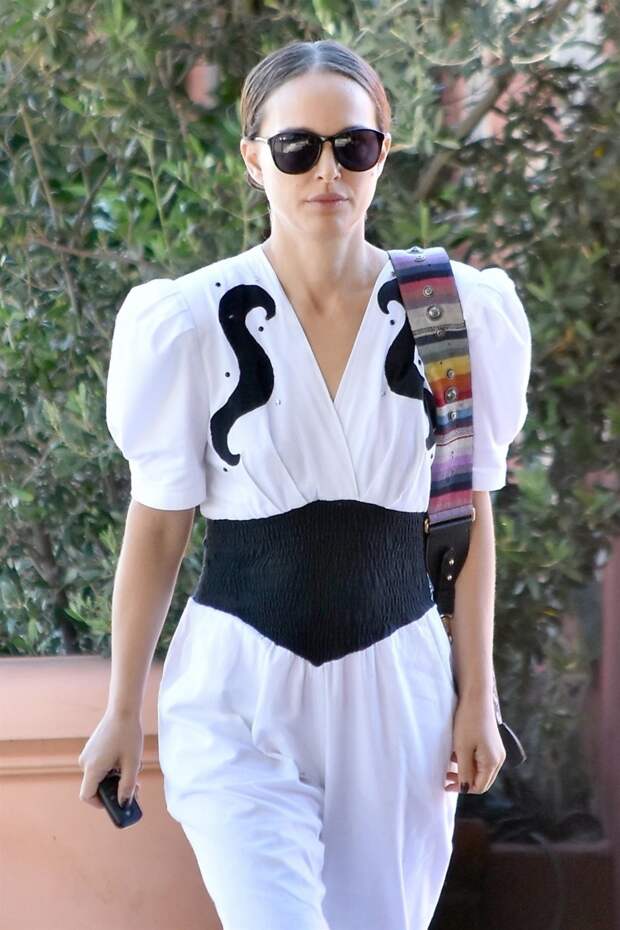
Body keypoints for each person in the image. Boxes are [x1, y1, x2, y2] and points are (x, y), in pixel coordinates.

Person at [78, 38, 532, 930]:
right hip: (237, 692)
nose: (328, 170)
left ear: (382, 154)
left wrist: (477, 691)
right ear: (255, 159)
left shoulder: (452, 310)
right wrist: (120, 710)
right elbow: (158, 527)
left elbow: (469, 510)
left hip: (398, 694)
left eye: (353, 146)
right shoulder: (189, 321)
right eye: (297, 148)